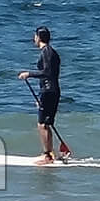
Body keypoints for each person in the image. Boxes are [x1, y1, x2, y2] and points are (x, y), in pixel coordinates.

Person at [18, 26, 72, 164]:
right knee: (46, 123)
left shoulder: (46, 52)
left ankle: (47, 156)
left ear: (38, 37)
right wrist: (40, 95)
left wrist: (28, 74)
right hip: (50, 91)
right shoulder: (51, 52)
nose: (33, 39)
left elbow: (47, 73)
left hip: (49, 91)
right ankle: (50, 154)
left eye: (35, 36)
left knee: (42, 124)